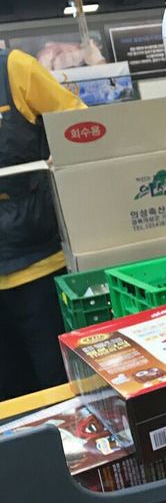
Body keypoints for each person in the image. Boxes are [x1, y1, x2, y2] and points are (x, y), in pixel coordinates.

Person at [0, 48, 86, 399]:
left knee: (53, 379)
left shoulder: (14, 68)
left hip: (37, 262)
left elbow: (78, 124)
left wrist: (55, 162)